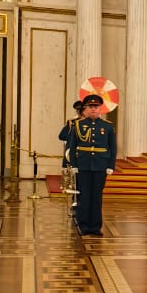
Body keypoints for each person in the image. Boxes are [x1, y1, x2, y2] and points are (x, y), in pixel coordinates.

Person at [62, 93, 116, 236]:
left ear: (100, 109)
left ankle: (96, 226)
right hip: (83, 165)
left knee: (97, 196)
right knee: (84, 196)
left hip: (100, 165)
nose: (93, 109)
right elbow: (72, 147)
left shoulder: (108, 126)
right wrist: (73, 164)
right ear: (86, 108)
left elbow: (112, 147)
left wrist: (111, 165)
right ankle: (84, 225)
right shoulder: (78, 125)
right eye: (91, 107)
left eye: (96, 106)